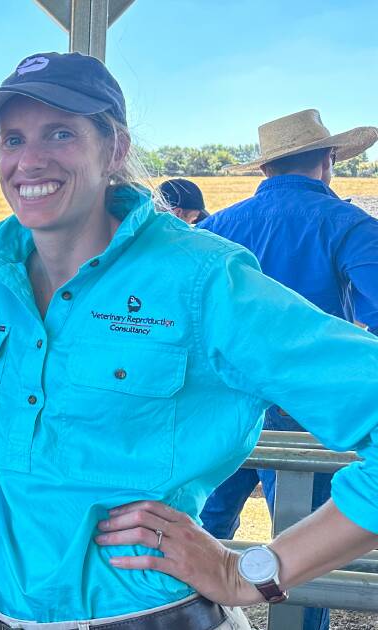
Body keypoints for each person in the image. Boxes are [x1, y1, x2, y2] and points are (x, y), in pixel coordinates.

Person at [0, 52, 378, 630]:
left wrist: (251, 570)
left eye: (61, 133)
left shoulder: (201, 279)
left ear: (115, 148)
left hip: (150, 616)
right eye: (11, 139)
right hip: (5, 614)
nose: (29, 160)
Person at [196, 108, 378, 630]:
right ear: (328, 160)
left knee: (200, 525)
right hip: (305, 410)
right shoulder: (349, 225)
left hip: (220, 406)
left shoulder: (214, 231)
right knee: (301, 546)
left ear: (266, 170)